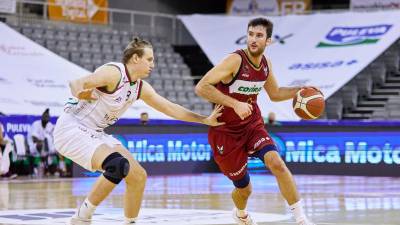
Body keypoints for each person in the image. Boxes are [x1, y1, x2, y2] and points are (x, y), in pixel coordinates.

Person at [54, 37, 224, 224]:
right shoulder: (113, 73)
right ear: (135, 58)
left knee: (138, 176)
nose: (153, 64)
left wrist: (204, 119)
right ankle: (82, 217)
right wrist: (80, 92)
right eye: (149, 59)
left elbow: (171, 108)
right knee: (117, 165)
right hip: (71, 129)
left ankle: (130, 222)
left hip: (95, 132)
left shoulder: (140, 87)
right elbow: (76, 83)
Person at [195, 17, 317, 225]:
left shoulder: (266, 64)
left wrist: (301, 90)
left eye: (259, 35)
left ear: (268, 41)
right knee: (244, 189)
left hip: (252, 125)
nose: (253, 39)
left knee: (276, 163)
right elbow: (202, 87)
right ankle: (240, 213)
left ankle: (300, 218)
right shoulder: (235, 60)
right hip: (225, 132)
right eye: (250, 34)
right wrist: (234, 103)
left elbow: (276, 93)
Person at [27, 108, 63, 176]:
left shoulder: (50, 125)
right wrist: (44, 143)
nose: (47, 118)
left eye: (48, 117)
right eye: (45, 116)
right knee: (41, 145)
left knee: (59, 148)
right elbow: (34, 139)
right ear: (42, 117)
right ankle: (44, 168)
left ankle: (61, 169)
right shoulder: (36, 124)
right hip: (33, 147)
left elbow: (54, 137)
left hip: (47, 147)